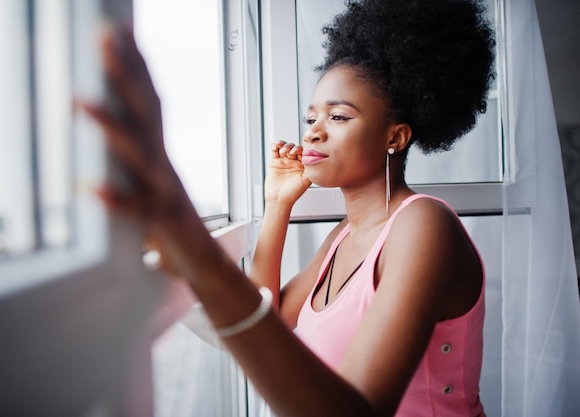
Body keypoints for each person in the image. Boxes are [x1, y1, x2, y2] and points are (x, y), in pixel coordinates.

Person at [81, 0, 495, 415]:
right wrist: (277, 205)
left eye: (338, 117)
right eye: (311, 118)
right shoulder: (344, 236)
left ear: (395, 137)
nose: (313, 133)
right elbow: (269, 323)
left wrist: (194, 247)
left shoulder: (424, 225)